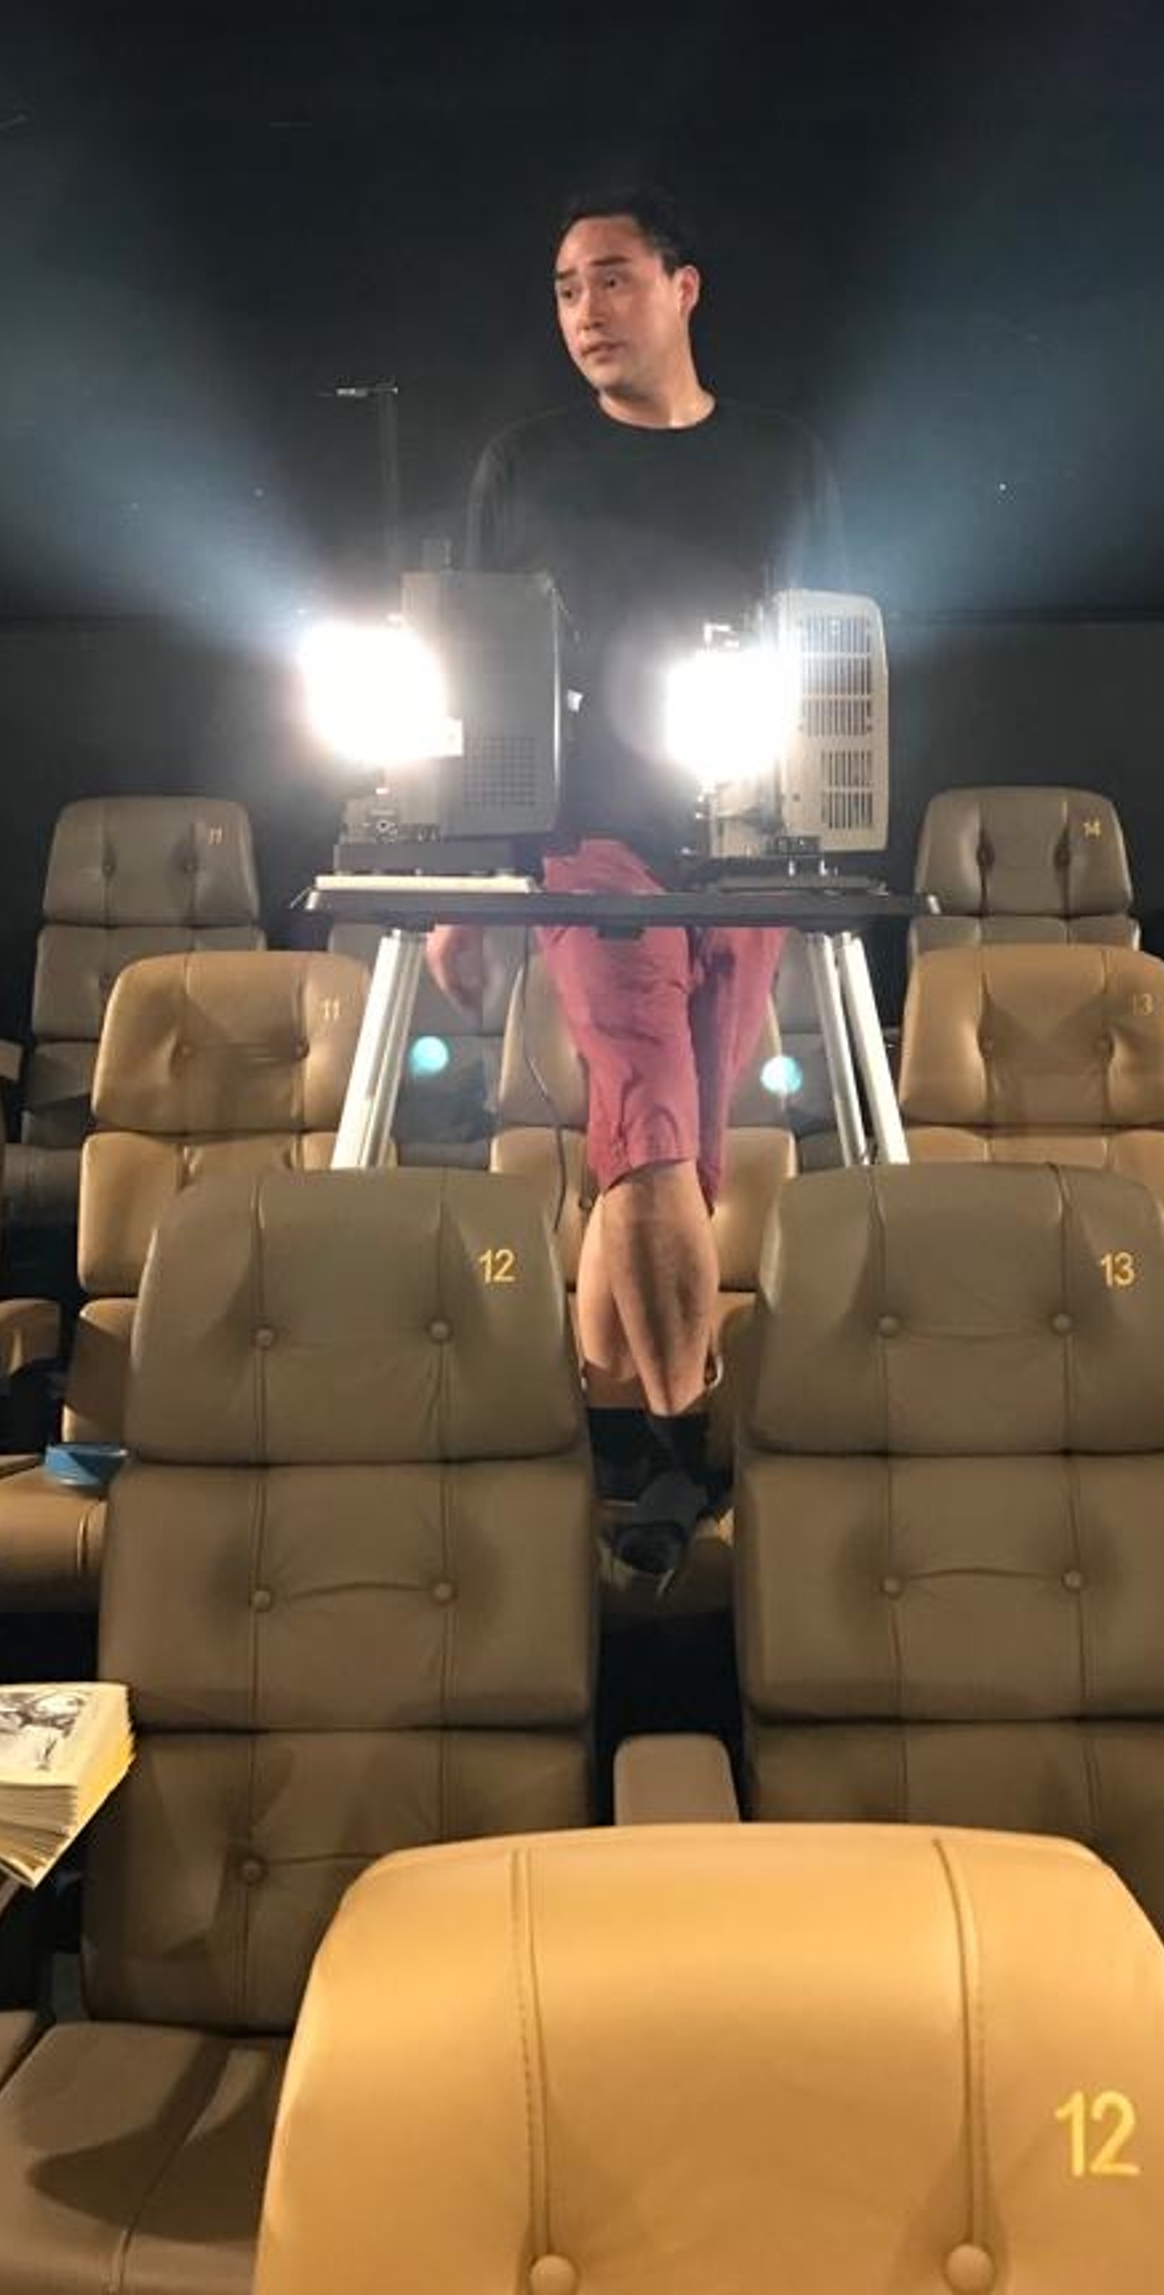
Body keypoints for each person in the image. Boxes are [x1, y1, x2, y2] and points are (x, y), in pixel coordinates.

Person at [429, 187, 842, 1548]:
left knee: (674, 1157)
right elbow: (474, 674)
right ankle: (688, 1462)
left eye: (609, 280)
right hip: (585, 843)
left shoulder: (783, 459)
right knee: (656, 1128)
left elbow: (836, 653)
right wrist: (471, 877)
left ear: (683, 289)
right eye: (562, 291)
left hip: (746, 840)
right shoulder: (524, 464)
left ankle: (610, 1447)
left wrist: (827, 839)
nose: (585, 312)